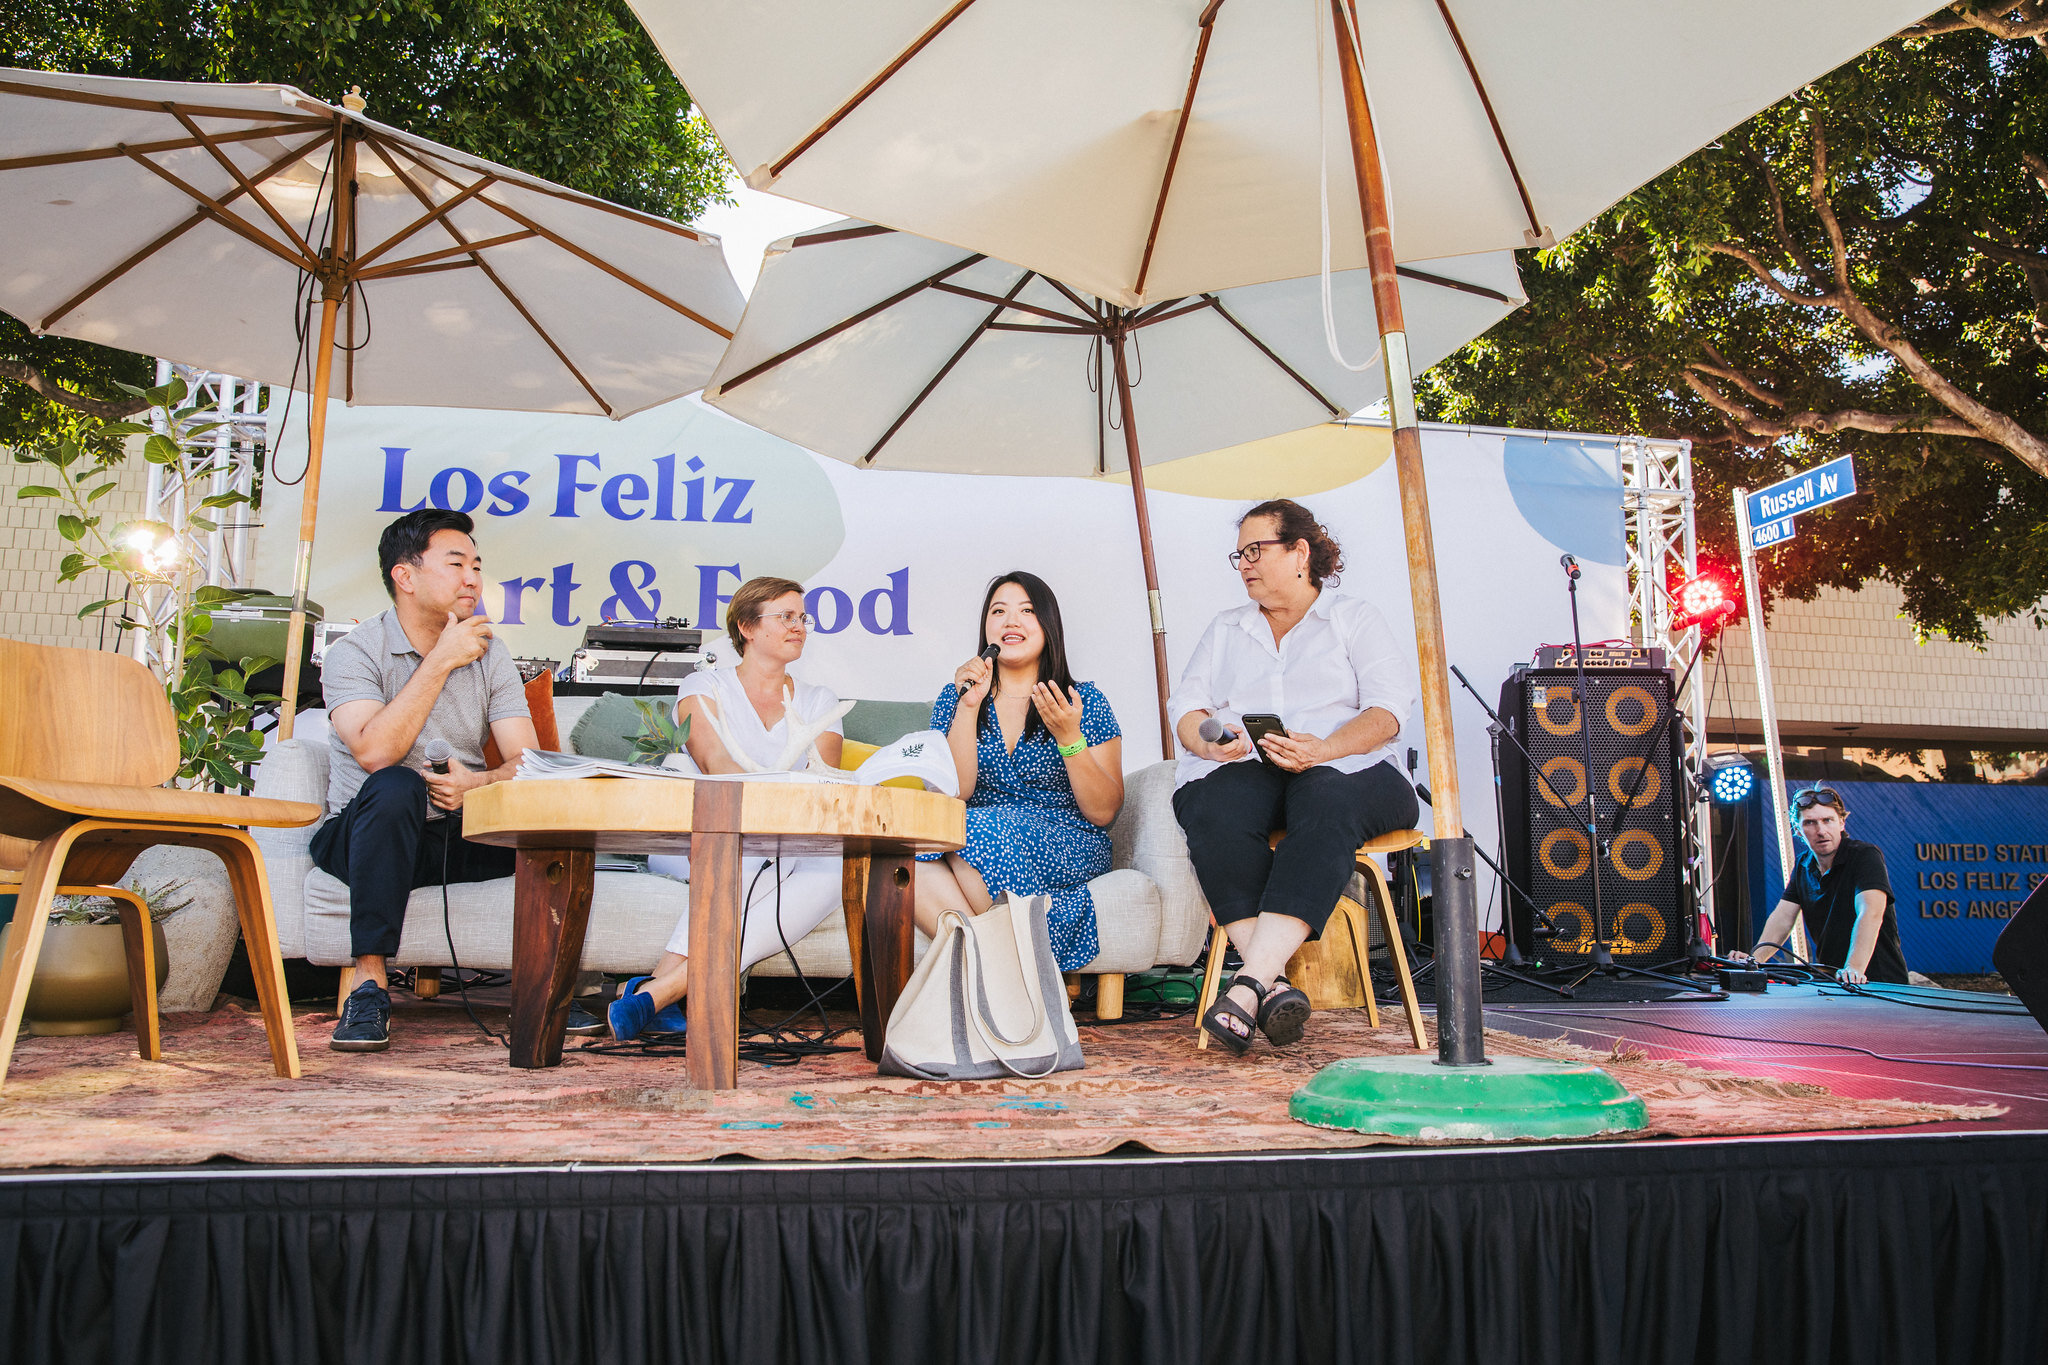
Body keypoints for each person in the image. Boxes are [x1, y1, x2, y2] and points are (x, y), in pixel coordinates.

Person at [1170, 499, 1418, 1055]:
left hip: (1353, 767)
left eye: (1256, 550)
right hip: (1254, 766)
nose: (1245, 564)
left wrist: (1325, 748)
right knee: (1209, 805)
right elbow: (1187, 709)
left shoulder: (1354, 618)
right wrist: (1213, 739)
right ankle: (1271, 985)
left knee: (1325, 799)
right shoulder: (1226, 628)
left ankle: (1249, 979)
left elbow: (1388, 712)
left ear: (1300, 551)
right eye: (1239, 554)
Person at [313, 508, 539, 1052]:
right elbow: (373, 753)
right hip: (365, 834)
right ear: (405, 576)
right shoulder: (353, 653)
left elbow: (530, 764)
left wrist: (479, 783)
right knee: (398, 785)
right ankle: (369, 986)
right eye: (456, 563)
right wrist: (440, 660)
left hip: (453, 832)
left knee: (554, 829)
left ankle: (551, 989)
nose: (473, 579)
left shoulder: (490, 652)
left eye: (477, 565)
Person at [608, 576, 852, 1040]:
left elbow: (816, 785)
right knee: (751, 848)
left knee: (832, 867)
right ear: (747, 627)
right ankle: (667, 991)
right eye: (786, 616)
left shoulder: (821, 701)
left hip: (787, 838)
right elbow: (716, 767)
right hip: (704, 833)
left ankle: (657, 992)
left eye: (803, 617)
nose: (799, 625)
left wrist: (776, 813)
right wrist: (767, 808)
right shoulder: (703, 686)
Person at [919, 572, 1123, 971]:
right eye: (999, 611)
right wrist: (968, 707)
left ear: (1048, 625)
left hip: (1065, 839)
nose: (1011, 621)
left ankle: (992, 976)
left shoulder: (1084, 700)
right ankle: (994, 976)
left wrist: (1069, 736)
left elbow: (1103, 813)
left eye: (1027, 611)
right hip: (977, 830)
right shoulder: (955, 697)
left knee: (969, 830)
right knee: (907, 853)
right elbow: (953, 793)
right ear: (986, 628)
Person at [1742, 785, 1908, 984]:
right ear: (1798, 830)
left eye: (1827, 820)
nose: (1821, 831)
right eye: (1810, 823)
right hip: (1833, 981)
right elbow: (1783, 918)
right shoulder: (1804, 864)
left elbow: (1870, 912)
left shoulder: (1864, 855)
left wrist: (1854, 968)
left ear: (1842, 823)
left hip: (1879, 983)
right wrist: (1754, 961)